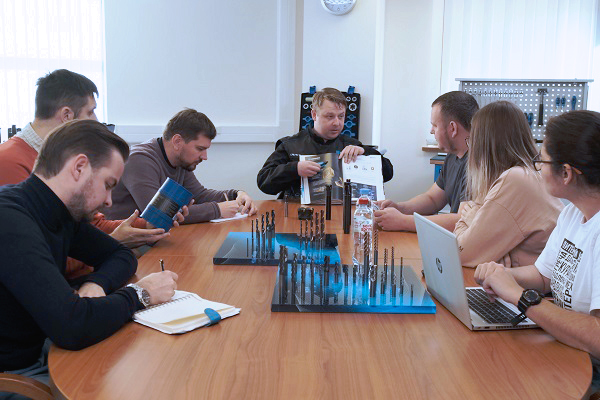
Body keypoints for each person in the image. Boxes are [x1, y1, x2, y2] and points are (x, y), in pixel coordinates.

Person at [0, 120, 178, 391]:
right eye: (108, 184)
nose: (109, 200)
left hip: (43, 347)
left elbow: (121, 254)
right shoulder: (10, 219)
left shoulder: (57, 211)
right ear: (79, 167)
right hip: (16, 375)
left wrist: (96, 283)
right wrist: (141, 294)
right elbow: (72, 326)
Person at [474, 110, 600, 396]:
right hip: (567, 348)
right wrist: (502, 275)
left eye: (541, 161)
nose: (537, 168)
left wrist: (520, 297)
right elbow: (544, 275)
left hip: (590, 369)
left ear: (566, 173)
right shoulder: (572, 214)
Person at [0, 69, 171, 278]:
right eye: (91, 112)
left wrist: (147, 225)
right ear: (67, 116)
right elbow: (39, 257)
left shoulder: (60, 161)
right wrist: (111, 244)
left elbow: (91, 225)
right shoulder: (8, 162)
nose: (96, 120)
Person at [453, 101, 562, 267]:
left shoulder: (515, 179)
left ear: (483, 146)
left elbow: (459, 253)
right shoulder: (527, 173)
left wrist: (472, 219)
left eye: (472, 140)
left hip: (536, 282)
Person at [105, 108, 257, 223]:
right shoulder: (139, 160)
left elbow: (199, 195)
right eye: (200, 149)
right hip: (128, 244)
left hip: (153, 237)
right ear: (177, 141)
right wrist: (217, 210)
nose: (205, 157)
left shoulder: (181, 161)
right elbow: (158, 213)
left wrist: (237, 194)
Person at [256, 87, 393, 198]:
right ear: (314, 115)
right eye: (330, 116)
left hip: (341, 213)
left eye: (341, 116)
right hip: (297, 212)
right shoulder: (290, 145)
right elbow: (264, 182)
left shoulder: (351, 145)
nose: (337, 123)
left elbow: (388, 173)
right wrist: (295, 169)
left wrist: (365, 152)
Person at [374, 91, 478, 232]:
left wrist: (403, 221)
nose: (431, 131)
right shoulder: (452, 157)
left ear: (452, 128)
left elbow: (462, 221)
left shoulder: (478, 164)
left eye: (435, 125)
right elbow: (432, 199)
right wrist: (400, 208)